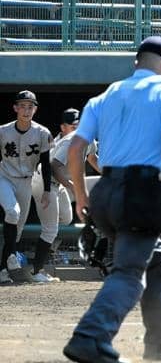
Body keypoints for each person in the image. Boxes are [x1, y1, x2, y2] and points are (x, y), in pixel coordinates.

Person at [63, 35, 161, 363]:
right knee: (128, 272)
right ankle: (90, 337)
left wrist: (81, 196)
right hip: (142, 192)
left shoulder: (106, 95)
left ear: (137, 61)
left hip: (105, 192)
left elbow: (76, 148)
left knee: (160, 260)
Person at [30, 107, 100, 283]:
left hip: (59, 183)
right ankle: (36, 271)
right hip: (44, 182)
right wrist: (71, 186)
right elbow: (54, 167)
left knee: (66, 219)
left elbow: (92, 158)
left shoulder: (89, 139)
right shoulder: (70, 140)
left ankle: (46, 251)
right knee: (50, 229)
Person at [0, 90, 53, 285]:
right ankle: (9, 261)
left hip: (26, 181)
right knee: (12, 212)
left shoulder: (42, 133)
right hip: (4, 177)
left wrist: (47, 190)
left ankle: (4, 268)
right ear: (15, 108)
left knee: (19, 227)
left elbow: (46, 164)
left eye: (30, 107)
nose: (26, 110)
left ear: (35, 110)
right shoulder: (3, 131)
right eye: (22, 106)